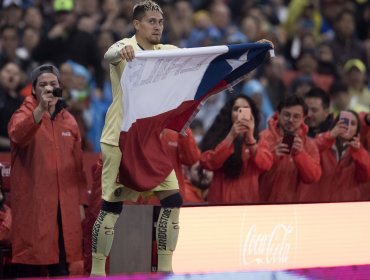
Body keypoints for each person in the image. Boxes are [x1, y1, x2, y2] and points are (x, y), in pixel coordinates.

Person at [91, 1, 182, 275]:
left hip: (149, 142)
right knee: (112, 206)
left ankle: (166, 271)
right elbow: (110, 54)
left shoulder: (166, 52)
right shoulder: (125, 49)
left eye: (161, 22)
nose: (158, 26)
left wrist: (251, 52)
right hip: (119, 140)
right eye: (152, 21)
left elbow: (201, 58)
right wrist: (123, 49)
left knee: (173, 200)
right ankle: (97, 273)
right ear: (137, 25)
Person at [8, 64, 88, 277]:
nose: (48, 88)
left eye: (53, 84)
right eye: (42, 84)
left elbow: (78, 169)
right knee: (30, 265)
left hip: (64, 209)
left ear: (60, 88)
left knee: (62, 267)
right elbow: (17, 135)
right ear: (33, 90)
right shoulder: (23, 113)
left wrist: (80, 203)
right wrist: (40, 109)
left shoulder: (69, 121)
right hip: (35, 207)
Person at [199, 94, 273, 204]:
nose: (240, 113)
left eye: (245, 109)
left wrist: (251, 140)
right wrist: (230, 137)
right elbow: (207, 163)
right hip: (219, 202)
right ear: (229, 113)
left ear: (252, 114)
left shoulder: (259, 139)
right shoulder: (217, 136)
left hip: (247, 203)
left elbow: (266, 165)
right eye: (236, 109)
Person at [259, 95, 321, 203]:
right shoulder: (262, 138)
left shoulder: (309, 144)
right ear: (278, 114)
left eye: (296, 116)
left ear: (303, 118)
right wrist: (273, 157)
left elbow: (313, 177)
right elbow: (250, 174)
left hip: (294, 209)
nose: (291, 120)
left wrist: (300, 155)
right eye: (286, 115)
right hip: (263, 206)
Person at [298, 111, 370, 202]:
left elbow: (365, 177)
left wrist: (358, 152)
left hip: (344, 207)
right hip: (315, 204)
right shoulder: (322, 141)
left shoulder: (359, 151)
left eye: (353, 124)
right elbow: (309, 151)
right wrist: (330, 136)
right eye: (344, 122)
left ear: (357, 131)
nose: (347, 126)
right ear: (335, 124)